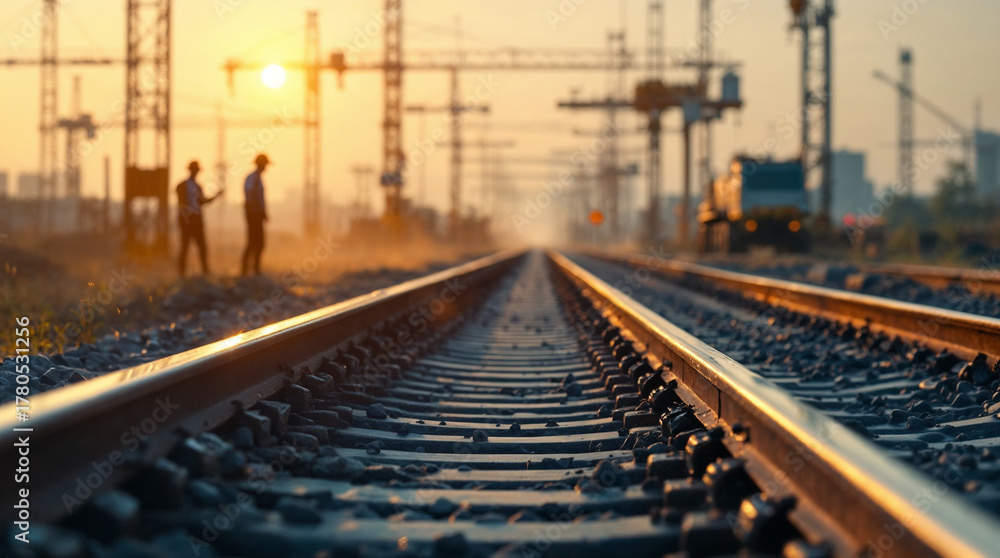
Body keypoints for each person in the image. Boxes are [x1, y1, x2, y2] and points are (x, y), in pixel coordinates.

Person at [176, 160, 221, 276]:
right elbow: (182, 204)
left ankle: (205, 271)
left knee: (201, 247)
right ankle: (182, 273)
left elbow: (202, 202)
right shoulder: (183, 186)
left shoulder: (196, 186)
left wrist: (215, 196)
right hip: (188, 220)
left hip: (196, 220)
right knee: (186, 247)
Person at [241, 154, 270, 276]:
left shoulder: (257, 178)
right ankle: (246, 271)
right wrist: (256, 210)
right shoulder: (253, 178)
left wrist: (263, 212)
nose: (266, 167)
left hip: (257, 214)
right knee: (253, 242)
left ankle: (254, 269)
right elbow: (250, 194)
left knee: (258, 243)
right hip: (253, 214)